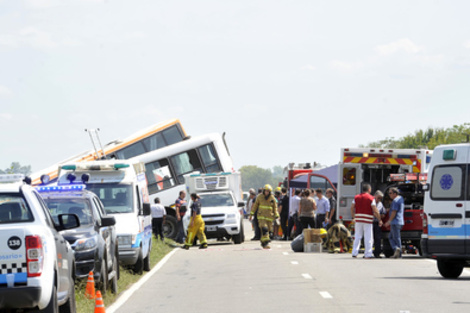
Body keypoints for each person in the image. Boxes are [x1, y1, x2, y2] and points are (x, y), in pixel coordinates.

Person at [350, 184, 382, 259]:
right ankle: (368, 254)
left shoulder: (356, 197)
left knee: (357, 236)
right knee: (368, 237)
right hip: (367, 220)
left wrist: (353, 217)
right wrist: (379, 219)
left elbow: (352, 208)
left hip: (358, 219)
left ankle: (354, 253)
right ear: (369, 190)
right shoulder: (371, 198)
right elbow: (375, 210)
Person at [249, 184, 279, 249]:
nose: (266, 193)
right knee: (264, 229)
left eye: (268, 191)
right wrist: (251, 214)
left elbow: (275, 207)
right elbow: (255, 206)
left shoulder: (272, 198)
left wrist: (276, 214)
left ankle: (263, 242)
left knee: (268, 231)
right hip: (261, 216)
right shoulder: (259, 197)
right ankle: (266, 243)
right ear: (264, 191)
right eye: (266, 191)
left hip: (269, 217)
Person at [384, 187, 405, 258]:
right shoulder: (400, 199)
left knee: (396, 238)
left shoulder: (395, 201)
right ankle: (396, 250)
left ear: (395, 194)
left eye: (390, 193)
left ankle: (398, 251)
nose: (389, 195)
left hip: (395, 222)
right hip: (400, 221)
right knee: (391, 237)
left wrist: (389, 221)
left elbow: (394, 212)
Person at [372, 190, 386, 258]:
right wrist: (378, 216)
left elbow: (383, 212)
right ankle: (368, 252)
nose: (379, 200)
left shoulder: (380, 204)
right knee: (370, 238)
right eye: (378, 198)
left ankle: (377, 253)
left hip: (377, 223)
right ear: (375, 196)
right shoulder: (371, 202)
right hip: (371, 222)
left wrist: (380, 215)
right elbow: (374, 213)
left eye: (380, 198)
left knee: (378, 238)